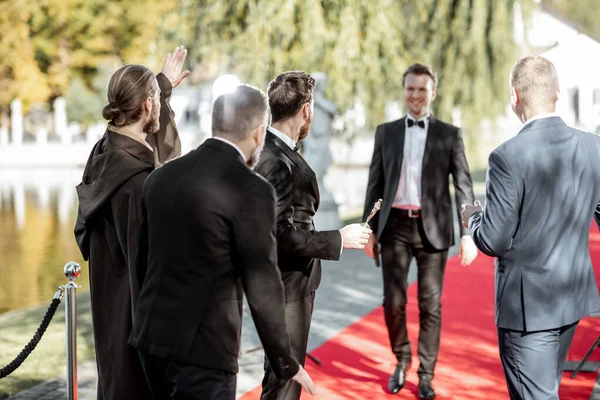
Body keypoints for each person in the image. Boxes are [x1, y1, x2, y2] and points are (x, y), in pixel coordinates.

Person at [129, 84, 315, 400]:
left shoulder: (161, 177)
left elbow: (143, 262)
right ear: (258, 133)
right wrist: (285, 360)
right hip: (205, 349)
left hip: (150, 339)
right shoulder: (251, 189)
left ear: (216, 124)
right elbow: (262, 283)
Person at [461, 55, 600, 400]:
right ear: (557, 93)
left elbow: (492, 239)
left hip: (528, 311)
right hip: (570, 299)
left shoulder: (507, 156)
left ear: (514, 97)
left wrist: (471, 216)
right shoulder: (594, 147)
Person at [74, 46, 189, 400]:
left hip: (111, 313)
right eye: (153, 98)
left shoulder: (105, 153)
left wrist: (162, 88)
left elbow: (152, 148)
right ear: (146, 107)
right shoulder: (136, 183)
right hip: (138, 328)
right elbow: (147, 270)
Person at [363, 63, 479, 399]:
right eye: (410, 89)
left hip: (434, 231)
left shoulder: (450, 134)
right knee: (393, 303)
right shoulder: (386, 132)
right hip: (394, 227)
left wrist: (468, 232)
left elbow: (464, 187)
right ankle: (401, 358)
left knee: (431, 304)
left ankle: (426, 374)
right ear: (404, 91)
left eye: (422, 89)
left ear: (433, 93)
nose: (415, 95)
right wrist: (369, 230)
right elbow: (376, 184)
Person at [254, 71, 371, 400]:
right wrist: (338, 239)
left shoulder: (276, 150)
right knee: (285, 382)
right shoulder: (275, 159)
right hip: (286, 284)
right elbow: (278, 233)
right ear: (305, 110)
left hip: (290, 282)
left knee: (283, 378)